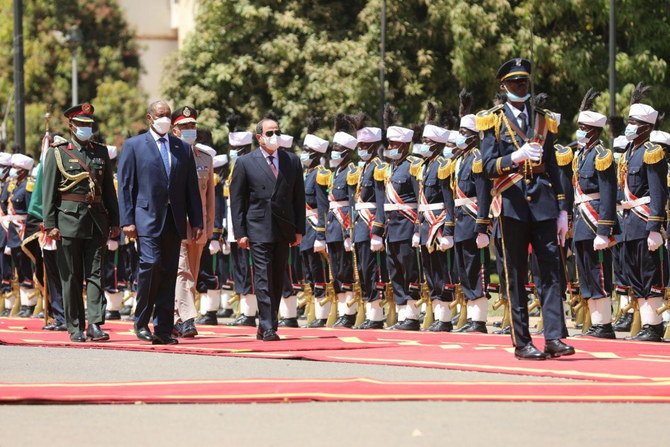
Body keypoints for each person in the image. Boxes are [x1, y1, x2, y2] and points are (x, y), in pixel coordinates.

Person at [478, 58, 574, 360]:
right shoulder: (492, 120)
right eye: (515, 82)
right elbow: (487, 167)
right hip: (512, 204)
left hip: (544, 203)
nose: (521, 86)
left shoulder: (544, 119)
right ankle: (522, 342)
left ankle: (554, 337)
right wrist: (515, 157)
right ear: (503, 86)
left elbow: (557, 168)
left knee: (550, 272)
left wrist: (563, 210)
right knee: (516, 274)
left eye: (524, 81)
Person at [117, 100, 203, 345]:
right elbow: (125, 186)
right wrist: (127, 220)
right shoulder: (134, 146)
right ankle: (141, 321)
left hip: (173, 220)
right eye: (160, 115)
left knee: (168, 274)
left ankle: (163, 329)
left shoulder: (181, 148)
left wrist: (196, 220)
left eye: (167, 115)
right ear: (149, 118)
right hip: (146, 219)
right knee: (151, 265)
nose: (165, 118)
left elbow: (191, 188)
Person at [42, 103, 119, 342]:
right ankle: (75, 325)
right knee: (71, 276)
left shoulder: (101, 152)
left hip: (96, 220)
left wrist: (115, 220)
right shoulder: (58, 152)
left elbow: (108, 191)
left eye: (89, 125)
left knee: (96, 274)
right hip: (68, 220)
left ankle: (95, 323)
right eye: (81, 125)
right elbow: (49, 192)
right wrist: (50, 223)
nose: (86, 129)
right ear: (71, 125)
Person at [230, 115, 305, 341]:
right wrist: (240, 233)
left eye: (277, 132)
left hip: (283, 229)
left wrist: (299, 229)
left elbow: (298, 198)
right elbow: (238, 200)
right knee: (262, 277)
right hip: (258, 227)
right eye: (270, 133)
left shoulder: (291, 161)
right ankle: (268, 325)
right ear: (259, 137)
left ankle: (266, 322)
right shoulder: (245, 162)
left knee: (276, 277)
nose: (275, 136)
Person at [619, 85, 667, 342]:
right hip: (629, 222)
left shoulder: (652, 153)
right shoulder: (629, 153)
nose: (629, 126)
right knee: (633, 273)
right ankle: (647, 323)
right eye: (629, 121)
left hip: (644, 220)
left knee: (650, 274)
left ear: (646, 127)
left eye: (634, 122)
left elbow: (658, 192)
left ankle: (653, 326)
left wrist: (654, 227)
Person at [570, 89, 618, 339]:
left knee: (599, 273)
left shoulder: (602, 155)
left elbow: (608, 194)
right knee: (586, 273)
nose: (579, 131)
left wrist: (604, 230)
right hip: (581, 221)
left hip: (595, 219)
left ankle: (605, 325)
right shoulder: (580, 156)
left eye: (582, 127)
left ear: (593, 130)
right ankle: (596, 322)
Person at [372, 105, 422, 331]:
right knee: (395, 272)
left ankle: (412, 316)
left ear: (404, 146)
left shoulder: (412, 166)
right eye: (389, 144)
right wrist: (378, 231)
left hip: (407, 226)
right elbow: (383, 204)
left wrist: (419, 230)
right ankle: (403, 315)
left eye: (393, 145)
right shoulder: (389, 169)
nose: (390, 148)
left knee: (409, 271)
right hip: (392, 229)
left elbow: (420, 201)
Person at [171, 107, 215, 338]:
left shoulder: (205, 158)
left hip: (198, 227)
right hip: (175, 224)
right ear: (174, 130)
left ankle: (176, 317)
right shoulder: (169, 155)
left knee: (193, 272)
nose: (191, 130)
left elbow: (209, 200)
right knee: (182, 271)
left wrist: (209, 229)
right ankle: (187, 319)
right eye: (185, 126)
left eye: (193, 126)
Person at [451, 96, 492, 333]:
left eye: (464, 132)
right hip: (460, 221)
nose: (459, 135)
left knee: (476, 269)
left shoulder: (477, 159)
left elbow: (484, 194)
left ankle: (479, 320)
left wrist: (482, 226)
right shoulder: (460, 160)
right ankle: (471, 315)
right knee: (464, 270)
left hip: (473, 220)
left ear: (474, 135)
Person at [351, 116, 387, 329]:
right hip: (359, 225)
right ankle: (369, 310)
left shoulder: (378, 167)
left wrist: (377, 230)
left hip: (370, 223)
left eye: (365, 146)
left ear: (373, 147)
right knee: (362, 269)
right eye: (359, 145)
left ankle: (376, 315)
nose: (361, 149)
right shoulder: (363, 167)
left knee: (371, 270)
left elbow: (381, 201)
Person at [325, 114, 359, 327]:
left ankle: (349, 313)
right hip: (332, 227)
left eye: (337, 148)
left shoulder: (351, 172)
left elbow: (353, 204)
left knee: (347, 272)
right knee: (336, 271)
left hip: (344, 227)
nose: (334, 151)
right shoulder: (334, 172)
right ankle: (340, 311)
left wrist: (349, 232)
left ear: (346, 152)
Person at [299, 121, 330, 328]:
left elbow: (322, 206)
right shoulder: (305, 174)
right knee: (308, 273)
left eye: (308, 151)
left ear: (317, 154)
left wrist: (321, 235)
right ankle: (312, 311)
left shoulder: (320, 174)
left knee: (319, 273)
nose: (304, 154)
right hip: (304, 230)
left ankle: (323, 314)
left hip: (314, 229)